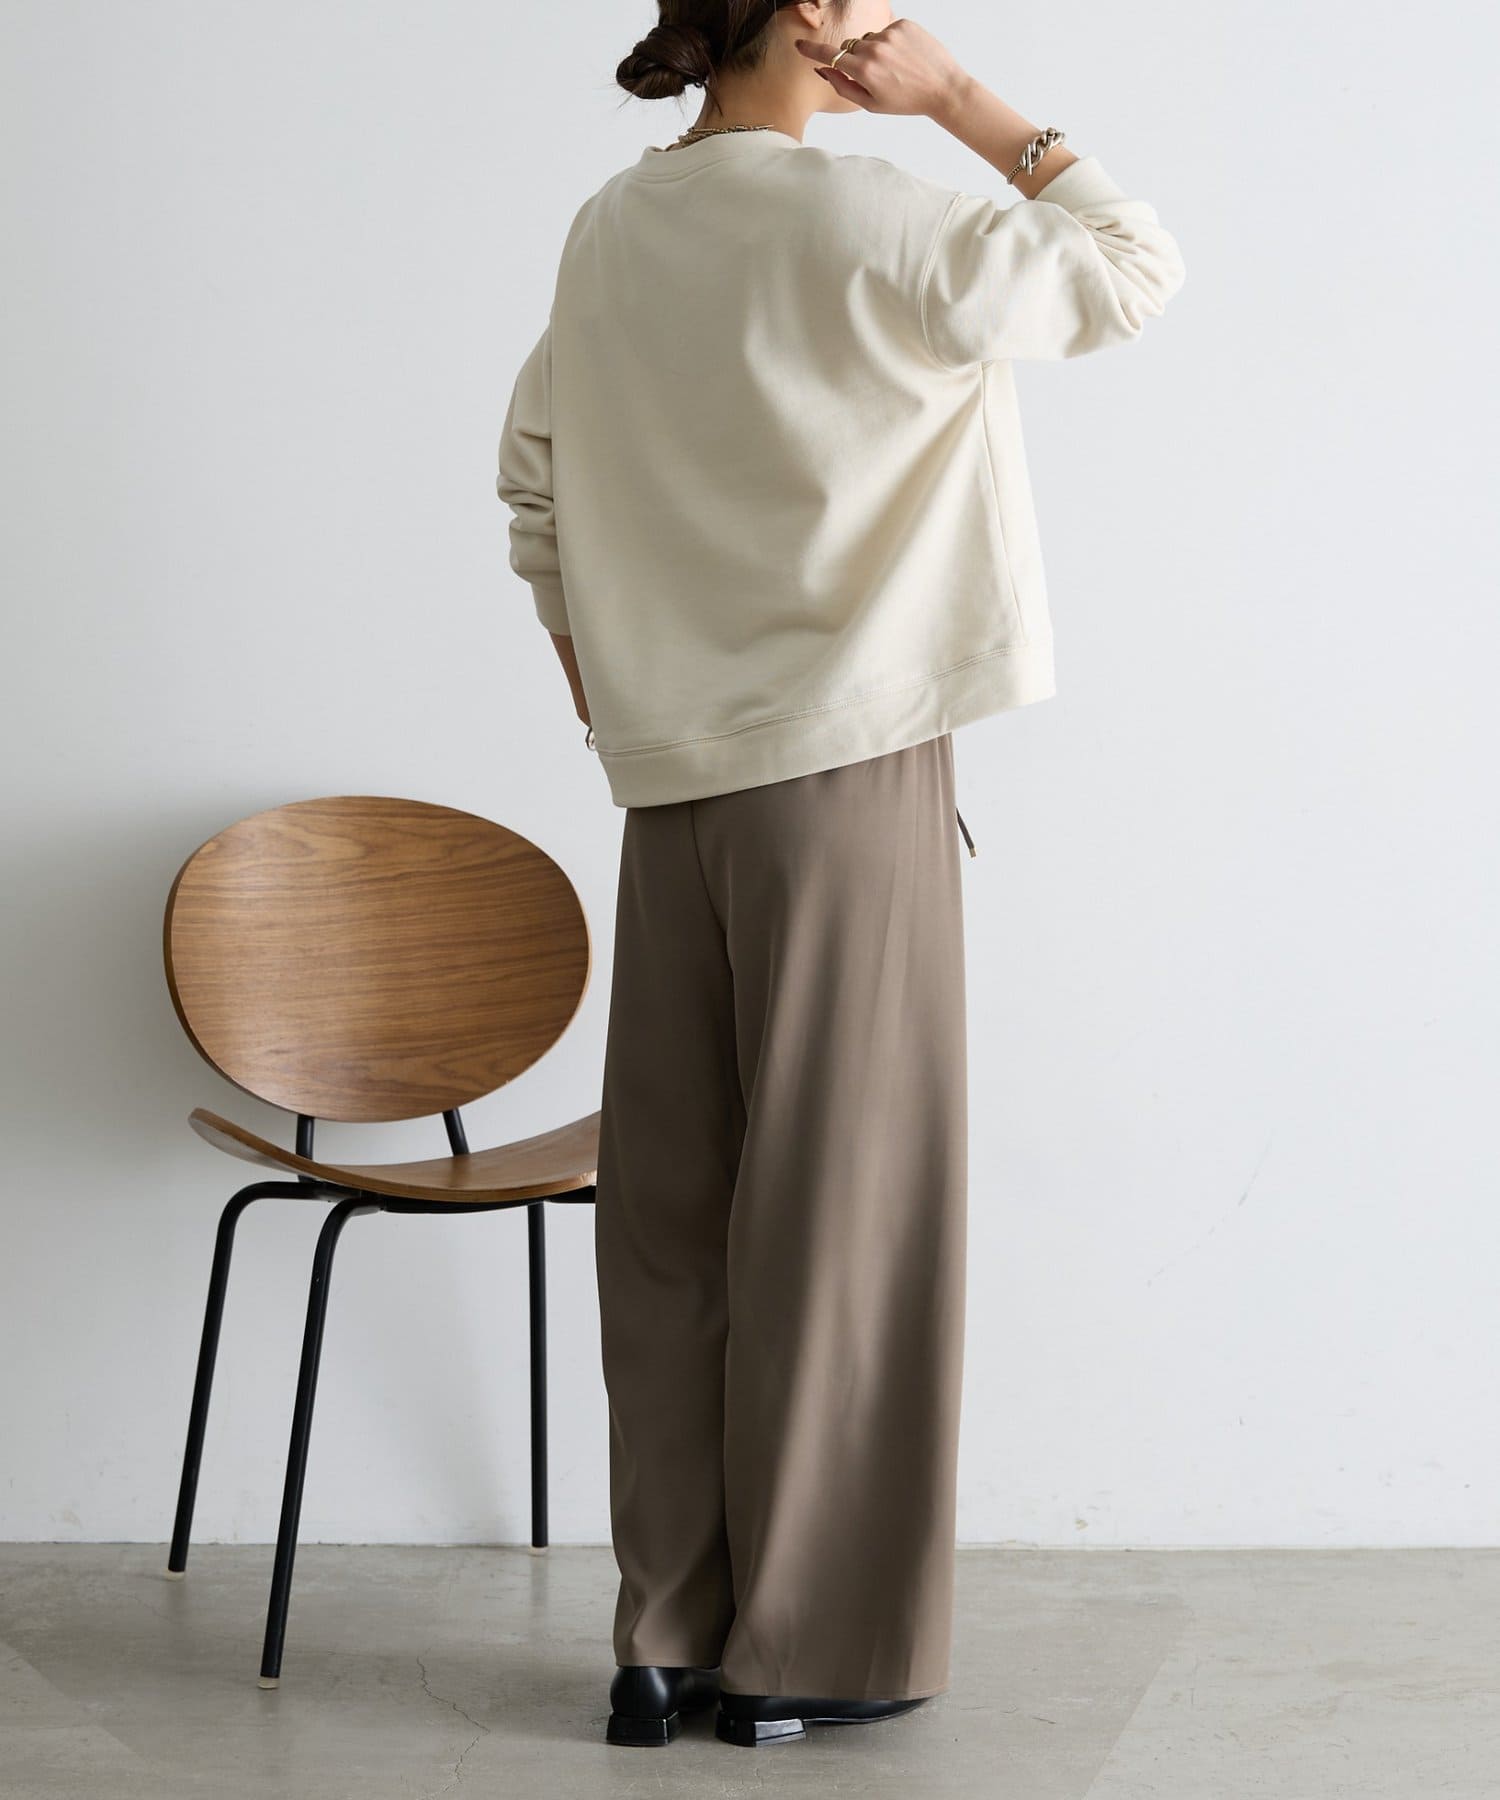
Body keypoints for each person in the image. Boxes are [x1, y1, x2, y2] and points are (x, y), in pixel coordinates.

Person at [496, 0, 1185, 1753]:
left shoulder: (612, 227)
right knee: (842, 1207)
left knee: (672, 1213)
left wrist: (615, 693)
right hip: (844, 770)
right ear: (812, 17)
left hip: (670, 787)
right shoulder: (877, 213)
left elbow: (535, 487)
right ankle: (805, 1645)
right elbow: (1132, 268)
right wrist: (956, 96)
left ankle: (663, 1637)